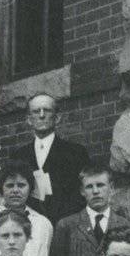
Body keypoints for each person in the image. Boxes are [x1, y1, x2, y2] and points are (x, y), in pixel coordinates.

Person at [14, 93, 91, 225]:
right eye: (36, 111)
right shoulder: (18, 156)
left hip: (67, 228)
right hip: (29, 229)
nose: (42, 115)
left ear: (57, 117)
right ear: (29, 119)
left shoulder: (76, 152)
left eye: (47, 110)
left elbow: (84, 192)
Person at [0, 160, 53, 256]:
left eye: (21, 185)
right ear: (1, 189)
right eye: (9, 185)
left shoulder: (43, 224)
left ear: (30, 188)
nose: (15, 190)